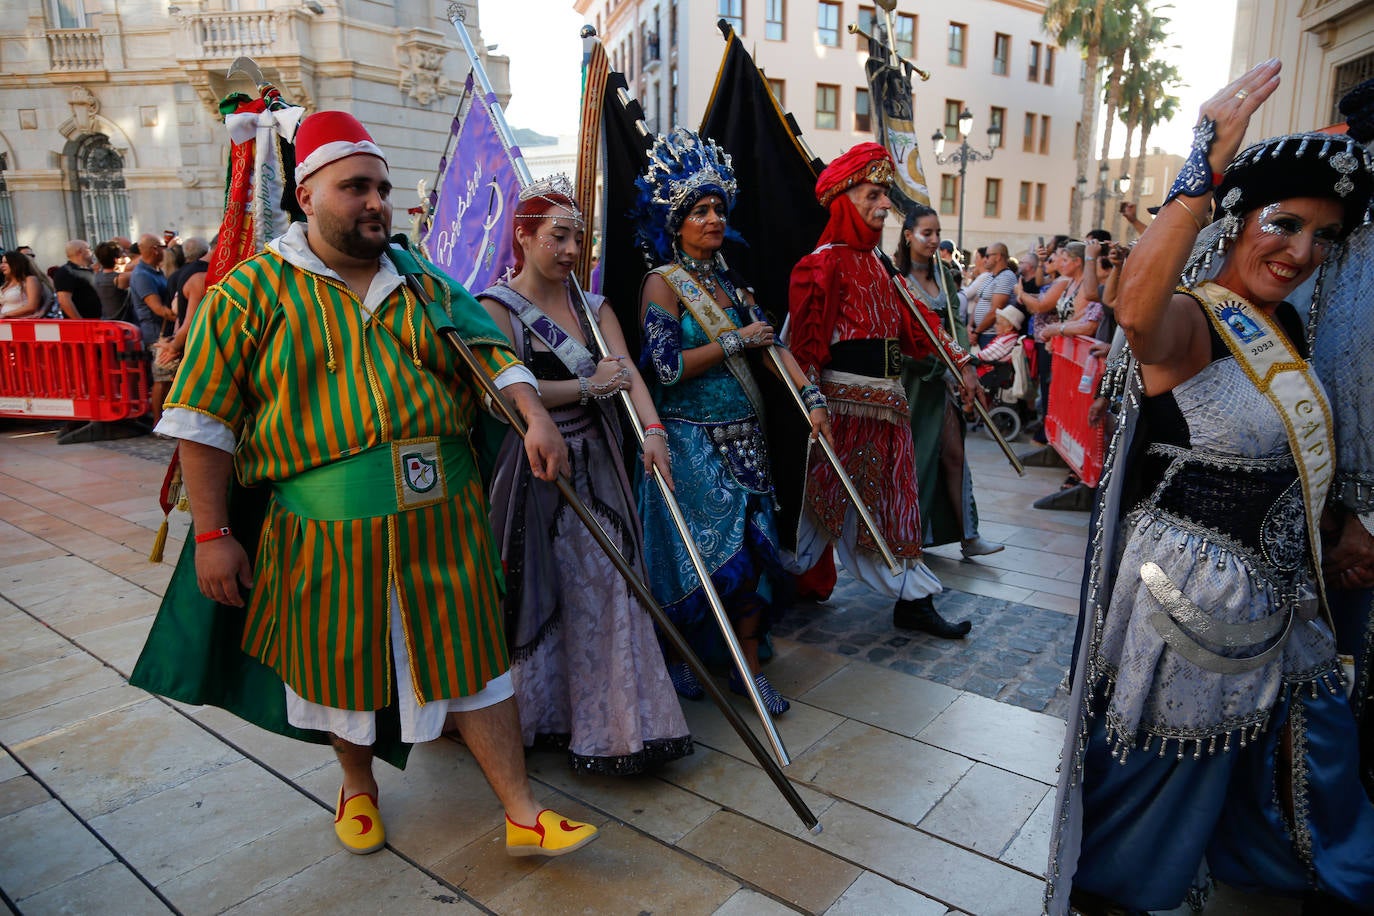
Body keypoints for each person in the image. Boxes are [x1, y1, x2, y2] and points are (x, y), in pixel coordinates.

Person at [150, 110, 597, 858]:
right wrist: (213, 535)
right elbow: (203, 423)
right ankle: (357, 787)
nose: (376, 202)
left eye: (383, 188)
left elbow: (488, 350)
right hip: (325, 529)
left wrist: (532, 413)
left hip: (445, 519)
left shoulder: (421, 279)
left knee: (476, 667)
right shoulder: (248, 293)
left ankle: (523, 813)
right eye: (355, 186)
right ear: (306, 195)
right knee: (340, 669)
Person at [1046, 60, 1374, 915]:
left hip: (1278, 588)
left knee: (1299, 752)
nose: (1301, 253)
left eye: (1323, 237)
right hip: (1191, 593)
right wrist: (1204, 166)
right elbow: (1135, 313)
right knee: (1166, 773)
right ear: (1234, 221)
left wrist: (1337, 527)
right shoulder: (1192, 318)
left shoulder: (1285, 322)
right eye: (1284, 224)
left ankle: (1279, 876)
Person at [477, 174, 692, 772]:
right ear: (524, 236)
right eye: (559, 236)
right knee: (540, 589)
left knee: (611, 584)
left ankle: (618, 724)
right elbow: (500, 392)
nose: (572, 250)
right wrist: (585, 387)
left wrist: (653, 432)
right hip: (537, 471)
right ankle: (544, 715)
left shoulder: (593, 308)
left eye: (579, 239)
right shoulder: (496, 309)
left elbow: (626, 371)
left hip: (601, 461)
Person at [633, 128, 829, 715]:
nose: (714, 218)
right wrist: (734, 341)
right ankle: (678, 655)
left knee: (753, 559)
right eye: (700, 210)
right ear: (676, 223)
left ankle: (748, 668)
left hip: (747, 440)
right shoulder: (662, 284)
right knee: (691, 559)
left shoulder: (732, 284)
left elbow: (772, 347)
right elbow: (666, 368)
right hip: (690, 444)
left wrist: (811, 397)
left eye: (719, 208)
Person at [787, 142, 982, 638]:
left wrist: (962, 364)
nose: (883, 205)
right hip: (841, 412)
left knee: (896, 508)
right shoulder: (821, 264)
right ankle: (771, 579)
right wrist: (812, 404)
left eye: (884, 195)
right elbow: (804, 347)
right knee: (817, 506)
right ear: (844, 199)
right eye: (872, 195)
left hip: (891, 408)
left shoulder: (881, 265)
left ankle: (914, 601)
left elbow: (919, 328)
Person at [895, 205, 1002, 558]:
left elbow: (956, 326)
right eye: (927, 233)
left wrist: (964, 366)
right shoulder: (896, 278)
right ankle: (910, 537)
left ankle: (968, 535)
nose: (934, 240)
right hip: (914, 383)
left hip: (946, 382)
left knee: (955, 454)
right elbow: (899, 339)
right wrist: (939, 367)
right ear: (908, 235)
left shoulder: (942, 273)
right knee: (918, 459)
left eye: (938, 233)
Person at [129, 232, 177, 420]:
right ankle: (158, 422)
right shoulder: (142, 275)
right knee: (161, 380)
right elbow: (158, 308)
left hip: (162, 332)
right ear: (155, 250)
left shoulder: (154, 271)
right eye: (163, 247)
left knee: (167, 379)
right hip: (156, 334)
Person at [967, 242, 1017, 347]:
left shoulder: (1006, 277)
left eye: (987, 256)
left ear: (998, 257)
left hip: (991, 335)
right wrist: (970, 326)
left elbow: (995, 311)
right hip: (980, 333)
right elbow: (977, 301)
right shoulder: (990, 276)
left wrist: (976, 332)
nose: (984, 260)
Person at [53, 240, 101, 319]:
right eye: (89, 249)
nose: (92, 253)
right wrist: (80, 322)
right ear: (80, 252)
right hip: (83, 322)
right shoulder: (66, 272)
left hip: (98, 321)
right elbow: (64, 301)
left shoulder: (89, 270)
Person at [0, 250, 48, 318]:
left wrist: (5, 314)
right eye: (2, 263)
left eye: (6, 263)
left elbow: (32, 306)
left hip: (23, 321)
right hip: (6, 323)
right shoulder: (7, 283)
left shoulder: (30, 280)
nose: (2, 266)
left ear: (16, 264)